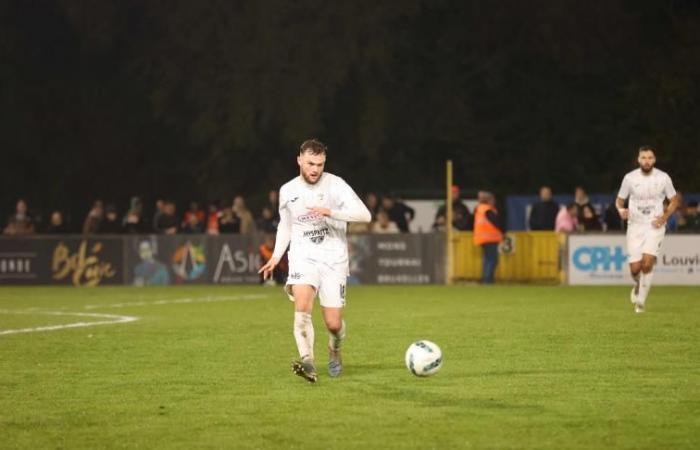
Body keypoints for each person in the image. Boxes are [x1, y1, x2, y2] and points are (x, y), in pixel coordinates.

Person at [258, 138, 371, 383]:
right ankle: (307, 361)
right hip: (303, 257)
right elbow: (286, 226)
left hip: (333, 259)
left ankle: (335, 347)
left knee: (333, 323)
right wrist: (276, 256)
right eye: (310, 163)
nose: (315, 169)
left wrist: (331, 212)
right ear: (299, 160)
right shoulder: (287, 190)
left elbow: (365, 214)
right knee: (302, 304)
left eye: (320, 164)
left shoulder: (336, 185)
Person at [616, 145, 679, 314]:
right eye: (643, 157)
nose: (646, 161)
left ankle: (641, 303)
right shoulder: (629, 178)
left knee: (648, 262)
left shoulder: (663, 177)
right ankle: (637, 284)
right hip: (635, 225)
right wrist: (621, 210)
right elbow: (619, 201)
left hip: (654, 225)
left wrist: (664, 217)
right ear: (638, 160)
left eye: (650, 157)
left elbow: (674, 200)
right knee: (635, 269)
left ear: (654, 159)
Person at [473, 191, 503, 284]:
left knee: (487, 260)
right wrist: (503, 231)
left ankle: (485, 279)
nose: (494, 202)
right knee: (492, 260)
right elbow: (496, 222)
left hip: (482, 238)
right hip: (490, 238)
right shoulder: (488, 210)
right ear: (489, 200)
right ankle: (488, 280)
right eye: (493, 199)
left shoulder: (479, 209)